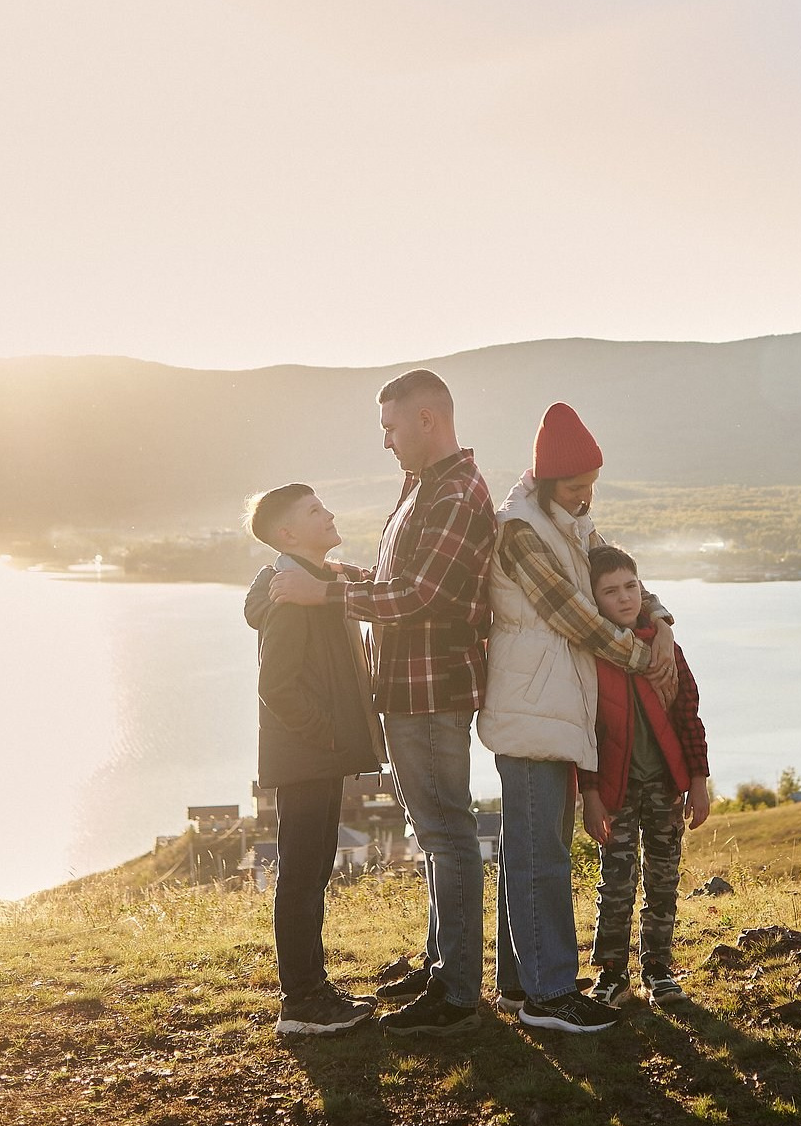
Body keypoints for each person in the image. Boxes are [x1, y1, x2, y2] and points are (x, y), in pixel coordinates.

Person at [267, 369, 497, 1037]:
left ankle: (455, 995)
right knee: (436, 838)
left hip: (430, 695)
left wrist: (328, 594)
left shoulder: (455, 493)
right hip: (408, 693)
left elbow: (422, 596)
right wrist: (331, 575)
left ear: (427, 420)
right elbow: (398, 582)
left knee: (447, 838)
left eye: (390, 428)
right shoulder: (426, 489)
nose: (386, 443)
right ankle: (438, 965)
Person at [478, 402, 678, 1033]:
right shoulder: (522, 531)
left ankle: (520, 985)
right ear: (543, 481)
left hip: (553, 703)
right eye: (575, 487)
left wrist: (661, 619)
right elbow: (574, 614)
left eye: (592, 485)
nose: (587, 497)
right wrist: (643, 655)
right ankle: (549, 994)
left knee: (530, 850)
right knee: (542, 857)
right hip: (531, 703)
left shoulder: (568, 523)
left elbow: (618, 578)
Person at [243, 483, 387, 1035]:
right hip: (307, 757)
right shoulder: (290, 597)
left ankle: (311, 989)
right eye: (313, 512)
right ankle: (301, 1001)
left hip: (315, 756)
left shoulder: (316, 584)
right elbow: (276, 686)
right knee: (303, 874)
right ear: (287, 535)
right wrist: (327, 736)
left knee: (312, 867)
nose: (327, 515)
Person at [579, 544, 710, 1009]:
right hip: (615, 789)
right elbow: (587, 732)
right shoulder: (591, 657)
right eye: (611, 591)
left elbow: (689, 716)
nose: (625, 598)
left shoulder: (664, 645)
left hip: (664, 786)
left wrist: (698, 780)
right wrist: (590, 795)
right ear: (594, 600)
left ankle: (658, 968)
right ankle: (612, 973)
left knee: (663, 877)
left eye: (631, 586)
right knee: (615, 880)